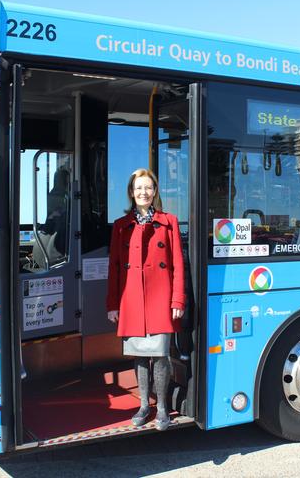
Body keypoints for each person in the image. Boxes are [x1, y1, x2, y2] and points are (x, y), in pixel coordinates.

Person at [106, 168, 185, 431]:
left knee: (160, 355)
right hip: (131, 299)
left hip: (161, 299)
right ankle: (143, 405)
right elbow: (115, 267)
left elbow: (177, 265)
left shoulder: (168, 221)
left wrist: (177, 301)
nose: (143, 192)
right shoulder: (120, 226)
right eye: (138, 188)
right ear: (131, 192)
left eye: (148, 187)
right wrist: (113, 305)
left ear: (155, 191)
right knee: (139, 356)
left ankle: (161, 407)